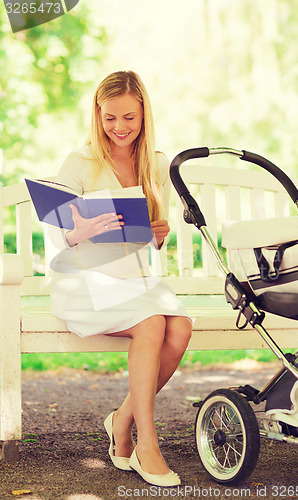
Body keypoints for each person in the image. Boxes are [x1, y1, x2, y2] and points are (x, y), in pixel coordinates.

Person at [48, 70, 192, 487]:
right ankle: (145, 441)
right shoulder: (79, 162)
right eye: (110, 118)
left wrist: (160, 232)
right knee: (152, 324)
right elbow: (59, 235)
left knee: (178, 328)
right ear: (98, 115)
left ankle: (120, 419)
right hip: (84, 279)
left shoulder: (156, 163)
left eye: (129, 117)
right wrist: (80, 232)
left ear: (144, 114)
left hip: (132, 277)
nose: (119, 127)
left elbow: (153, 235)